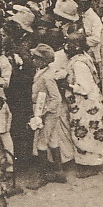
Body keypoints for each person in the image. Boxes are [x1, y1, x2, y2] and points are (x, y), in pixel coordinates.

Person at [27, 43, 74, 189]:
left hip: (48, 112)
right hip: (46, 110)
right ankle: (59, 172)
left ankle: (43, 176)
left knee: (41, 142)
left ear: (42, 61)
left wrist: (42, 113)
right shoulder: (44, 71)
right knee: (53, 140)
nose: (33, 60)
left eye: (35, 58)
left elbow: (56, 98)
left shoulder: (47, 76)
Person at [64, 32, 103, 178]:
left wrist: (67, 85)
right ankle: (88, 164)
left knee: (87, 134)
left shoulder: (79, 64)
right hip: (88, 104)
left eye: (70, 44)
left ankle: (92, 166)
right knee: (87, 133)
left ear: (77, 46)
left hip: (87, 105)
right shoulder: (82, 58)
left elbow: (84, 88)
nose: (67, 46)